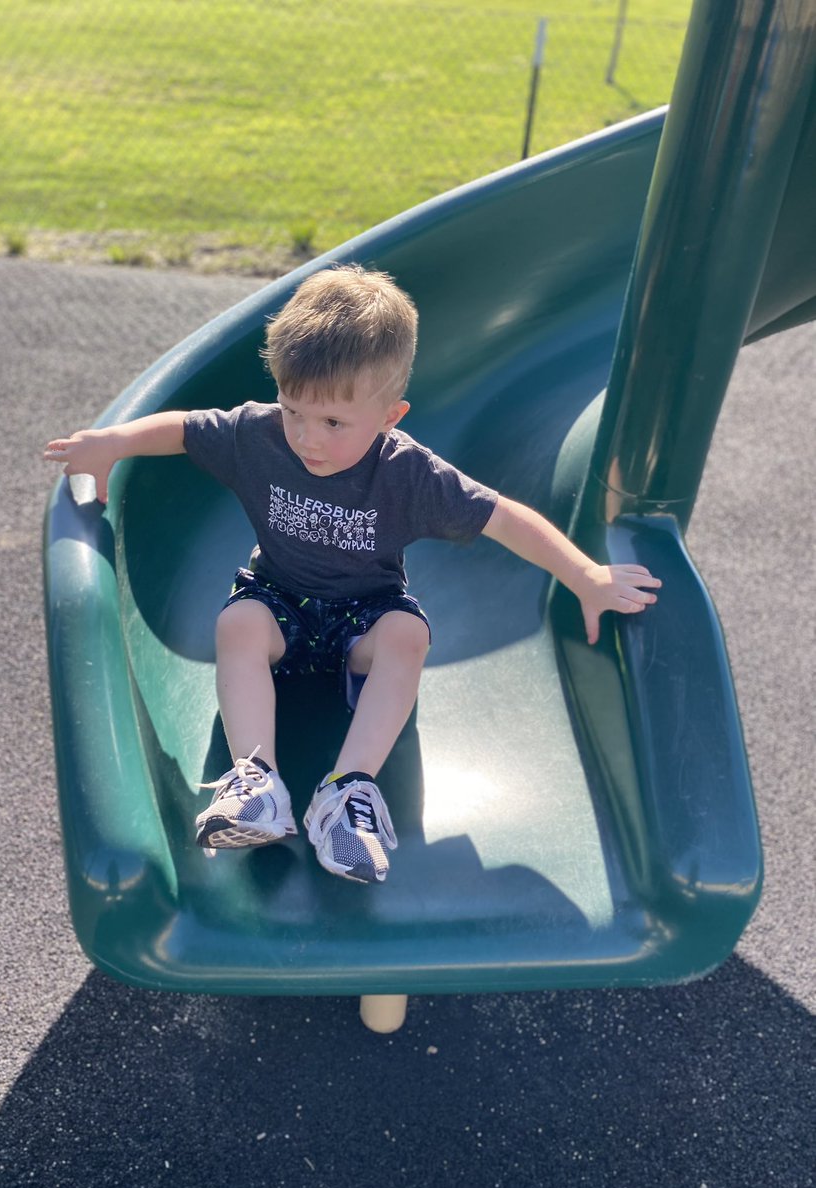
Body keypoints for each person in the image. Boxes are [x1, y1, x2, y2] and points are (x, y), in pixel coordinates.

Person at [43, 264, 661, 885]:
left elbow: (502, 517)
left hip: (363, 619)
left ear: (391, 415)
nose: (308, 438)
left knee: (408, 636)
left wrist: (585, 574)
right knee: (237, 622)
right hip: (278, 600)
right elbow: (183, 429)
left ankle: (346, 792)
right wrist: (113, 443)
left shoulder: (408, 474)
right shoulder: (258, 435)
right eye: (294, 412)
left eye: (334, 423)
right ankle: (257, 781)